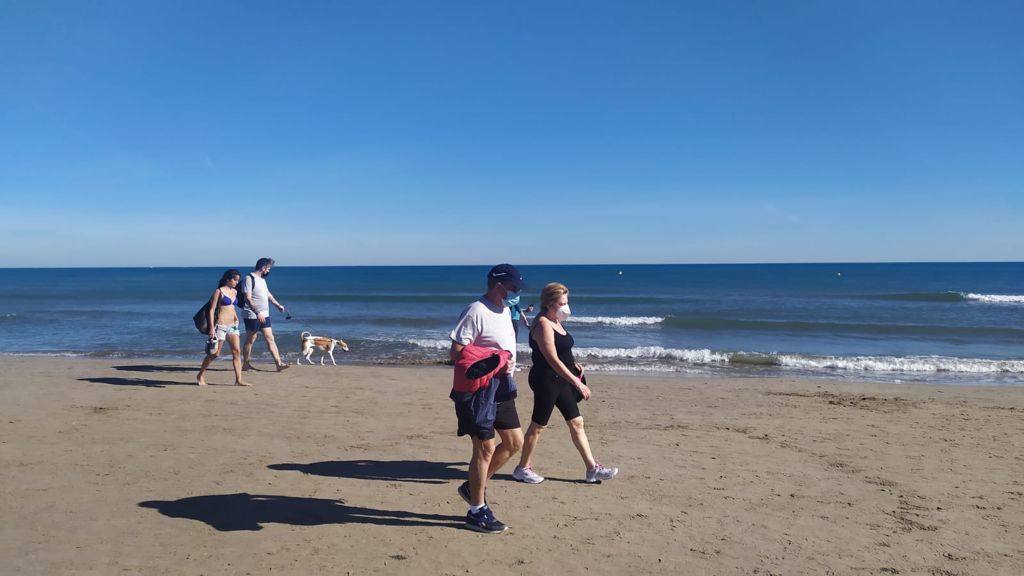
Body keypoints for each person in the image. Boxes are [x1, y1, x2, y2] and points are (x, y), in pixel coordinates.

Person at [513, 282, 618, 484]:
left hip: (561, 379)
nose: (566, 306)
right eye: (562, 302)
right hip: (546, 380)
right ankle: (522, 468)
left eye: (566, 302)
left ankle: (592, 469)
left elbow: (562, 351)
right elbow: (551, 359)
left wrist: (574, 364)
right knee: (538, 426)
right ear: (550, 303)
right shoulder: (543, 323)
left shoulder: (556, 321)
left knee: (576, 422)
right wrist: (578, 384)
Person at [448, 264, 527, 533]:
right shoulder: (475, 311)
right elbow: (456, 352)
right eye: (514, 288)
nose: (516, 292)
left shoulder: (505, 309)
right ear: (499, 286)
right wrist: (494, 360)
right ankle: (476, 511)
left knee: (515, 443)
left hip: (502, 386)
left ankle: (473, 487)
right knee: (484, 448)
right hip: (479, 389)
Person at [197, 269, 248, 386]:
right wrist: (211, 328)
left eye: (238, 280)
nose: (236, 282)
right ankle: (200, 375)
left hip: (233, 326)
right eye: (235, 280)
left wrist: (236, 318)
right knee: (215, 353)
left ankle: (238, 380)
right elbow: (211, 310)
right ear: (228, 279)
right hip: (221, 325)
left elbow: (231, 307)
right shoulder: (219, 291)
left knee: (236, 352)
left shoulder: (234, 292)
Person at [241, 258, 290, 372]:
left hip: (265, 314)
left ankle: (279, 364)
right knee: (251, 339)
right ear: (263, 268)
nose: (268, 271)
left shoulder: (262, 280)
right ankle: (246, 364)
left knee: (270, 338)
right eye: (268, 268)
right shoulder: (249, 279)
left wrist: (277, 305)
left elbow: (267, 294)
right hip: (252, 315)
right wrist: (257, 313)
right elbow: (247, 298)